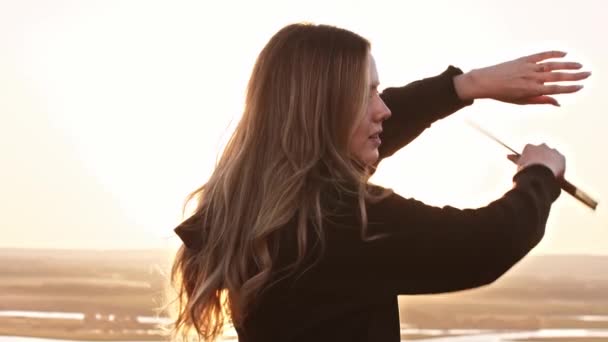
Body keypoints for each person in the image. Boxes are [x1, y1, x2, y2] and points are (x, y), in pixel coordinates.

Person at [169, 23, 590, 342]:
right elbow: (485, 244)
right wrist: (538, 175)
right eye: (367, 93)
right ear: (324, 110)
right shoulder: (338, 220)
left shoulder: (252, 203)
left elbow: (360, 136)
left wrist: (465, 86)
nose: (384, 109)